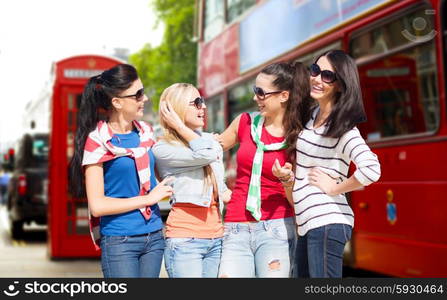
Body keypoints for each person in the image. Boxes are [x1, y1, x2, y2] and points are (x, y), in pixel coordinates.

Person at [272, 50, 381, 278]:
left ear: (340, 85)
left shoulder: (344, 128)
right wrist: (287, 180)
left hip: (327, 221)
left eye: (327, 75)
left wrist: (334, 188)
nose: (317, 78)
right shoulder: (310, 118)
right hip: (307, 223)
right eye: (315, 70)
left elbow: (372, 169)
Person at [69, 64, 173, 278]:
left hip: (153, 236)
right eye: (138, 94)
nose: (144, 99)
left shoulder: (146, 133)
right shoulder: (97, 141)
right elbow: (97, 206)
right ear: (116, 102)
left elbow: (161, 175)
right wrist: (148, 199)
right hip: (120, 241)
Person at [215, 61, 310, 278]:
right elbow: (211, 152)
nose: (255, 98)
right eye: (254, 91)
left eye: (261, 92)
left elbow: (298, 201)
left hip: (276, 228)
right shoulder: (244, 122)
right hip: (236, 226)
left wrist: (288, 181)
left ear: (283, 96)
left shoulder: (299, 137)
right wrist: (218, 188)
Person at [152, 83, 231, 278]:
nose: (203, 107)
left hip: (217, 238)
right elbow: (209, 154)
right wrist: (179, 126)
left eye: (202, 101)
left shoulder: (206, 141)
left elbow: (221, 185)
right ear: (176, 109)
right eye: (196, 102)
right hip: (185, 240)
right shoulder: (162, 149)